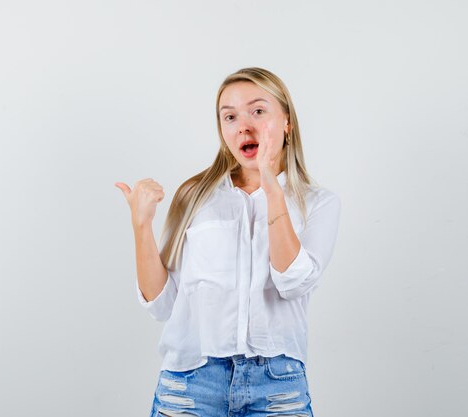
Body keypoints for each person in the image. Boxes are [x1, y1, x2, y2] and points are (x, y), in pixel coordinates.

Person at [115, 67, 341, 417]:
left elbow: (292, 281)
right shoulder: (195, 196)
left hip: (277, 385)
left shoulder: (318, 203)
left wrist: (271, 187)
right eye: (230, 117)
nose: (244, 126)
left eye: (258, 111)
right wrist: (141, 225)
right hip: (190, 383)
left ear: (287, 123)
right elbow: (162, 305)